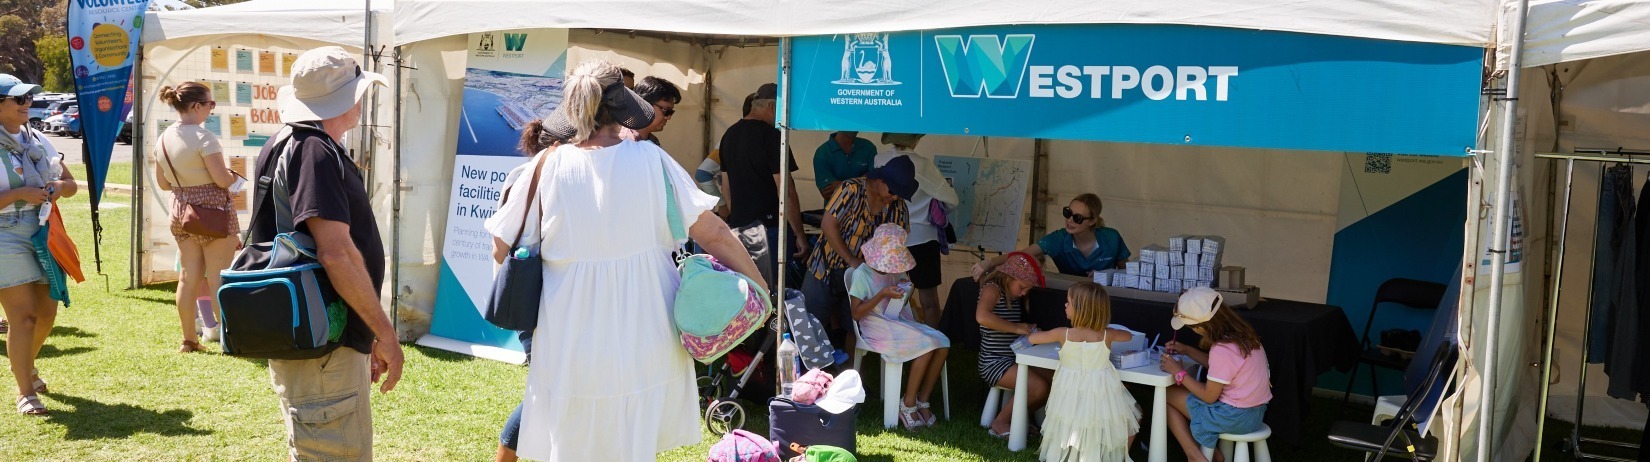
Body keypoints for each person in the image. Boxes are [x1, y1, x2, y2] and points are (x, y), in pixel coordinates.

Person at [483, 59, 763, 461]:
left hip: (569, 329)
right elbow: (714, 232)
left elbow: (501, 246)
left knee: (574, 436)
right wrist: (759, 285)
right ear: (621, 107)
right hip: (645, 325)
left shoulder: (545, 166)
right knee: (634, 440)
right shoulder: (653, 161)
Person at [252, 47, 404, 459]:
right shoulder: (314, 150)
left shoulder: (291, 142)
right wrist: (384, 333)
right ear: (349, 98)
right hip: (324, 347)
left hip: (320, 339)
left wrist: (365, 333)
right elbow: (336, 254)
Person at [492, 112, 576, 462]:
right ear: (558, 147)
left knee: (555, 388)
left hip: (551, 296)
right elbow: (500, 247)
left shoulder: (536, 176)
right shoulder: (530, 177)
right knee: (545, 390)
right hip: (538, 295)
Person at [0, 73, 76, 416]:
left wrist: (58, 187)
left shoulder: (38, 138)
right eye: (18, 99)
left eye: (28, 97)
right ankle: (25, 392)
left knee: (48, 312)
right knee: (24, 317)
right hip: (4, 234)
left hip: (43, 229)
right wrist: (17, 194)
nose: (27, 103)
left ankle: (25, 365)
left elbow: (71, 184)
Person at [152, 81, 240, 354]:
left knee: (188, 277)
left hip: (180, 209)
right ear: (196, 106)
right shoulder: (204, 138)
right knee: (218, 278)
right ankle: (230, 340)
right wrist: (234, 177)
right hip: (212, 210)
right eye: (210, 104)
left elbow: (164, 184)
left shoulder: (164, 137)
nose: (211, 110)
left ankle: (189, 339)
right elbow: (222, 180)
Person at [804, 156, 915, 356]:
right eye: (892, 191)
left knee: (855, 326)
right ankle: (805, 373)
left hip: (866, 277)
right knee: (810, 322)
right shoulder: (851, 190)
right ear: (880, 180)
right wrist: (852, 260)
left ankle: (849, 374)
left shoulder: (898, 208)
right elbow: (828, 225)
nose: (895, 197)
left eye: (901, 194)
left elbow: (898, 246)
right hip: (825, 267)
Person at [847, 224, 950, 429]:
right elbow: (856, 313)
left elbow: (899, 296)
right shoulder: (862, 275)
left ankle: (922, 399)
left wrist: (904, 289)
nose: (892, 269)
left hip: (895, 321)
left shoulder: (893, 271)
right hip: (874, 326)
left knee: (943, 342)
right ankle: (908, 403)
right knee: (926, 345)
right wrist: (883, 294)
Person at [1028, 281, 1140, 461]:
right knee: (1126, 418)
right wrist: (1111, 329)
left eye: (1069, 302)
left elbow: (1034, 338)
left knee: (1068, 423)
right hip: (1101, 393)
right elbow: (1128, 336)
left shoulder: (1062, 333)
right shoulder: (1106, 334)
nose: (1065, 305)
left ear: (1081, 309)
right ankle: (1113, 456)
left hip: (1069, 394)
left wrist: (1032, 330)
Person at [1161, 287, 1272, 462]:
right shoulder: (1244, 336)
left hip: (1233, 417)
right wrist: (1187, 350)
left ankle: (1195, 456)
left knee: (1165, 395)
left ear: (1200, 326)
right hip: (1256, 413)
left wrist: (1178, 372)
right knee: (1173, 397)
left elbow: (1209, 397)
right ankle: (1214, 455)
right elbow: (1221, 368)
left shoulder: (1222, 349)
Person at [718, 83, 809, 286]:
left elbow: (726, 187)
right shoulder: (773, 136)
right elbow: (786, 190)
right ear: (771, 106)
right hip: (769, 230)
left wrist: (739, 218)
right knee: (771, 292)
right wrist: (799, 234)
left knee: (746, 290)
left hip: (739, 229)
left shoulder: (729, 135)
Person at [874, 133, 959, 328]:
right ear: (916, 140)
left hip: (890, 237)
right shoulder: (923, 164)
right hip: (923, 236)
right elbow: (952, 199)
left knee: (890, 294)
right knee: (928, 299)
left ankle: (892, 339)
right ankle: (933, 343)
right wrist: (935, 210)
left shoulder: (879, 159)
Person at [976, 251, 1051, 437]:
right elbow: (982, 316)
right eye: (1023, 287)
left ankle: (1019, 419)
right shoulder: (992, 288)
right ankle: (1002, 421)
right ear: (1009, 277)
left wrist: (1028, 330)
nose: (1024, 292)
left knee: (1054, 378)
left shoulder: (1013, 295)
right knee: (1037, 387)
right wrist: (1016, 328)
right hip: (993, 362)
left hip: (1012, 358)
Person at [972, 193, 1129, 278]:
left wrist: (1107, 275)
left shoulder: (1112, 238)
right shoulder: (1058, 239)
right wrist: (990, 262)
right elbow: (1022, 254)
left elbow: (1128, 273)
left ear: (1093, 221)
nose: (1069, 220)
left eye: (1077, 218)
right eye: (1068, 213)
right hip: (1070, 299)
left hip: (1106, 298)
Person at [813, 131, 876, 199]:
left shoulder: (868, 147)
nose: (854, 123)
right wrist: (862, 182)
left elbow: (875, 184)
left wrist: (842, 186)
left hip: (867, 208)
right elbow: (828, 193)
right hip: (836, 209)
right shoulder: (822, 153)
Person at [626, 76, 681, 144]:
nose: (668, 117)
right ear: (644, 105)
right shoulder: (622, 142)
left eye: (671, 112)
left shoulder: (653, 141)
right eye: (666, 110)